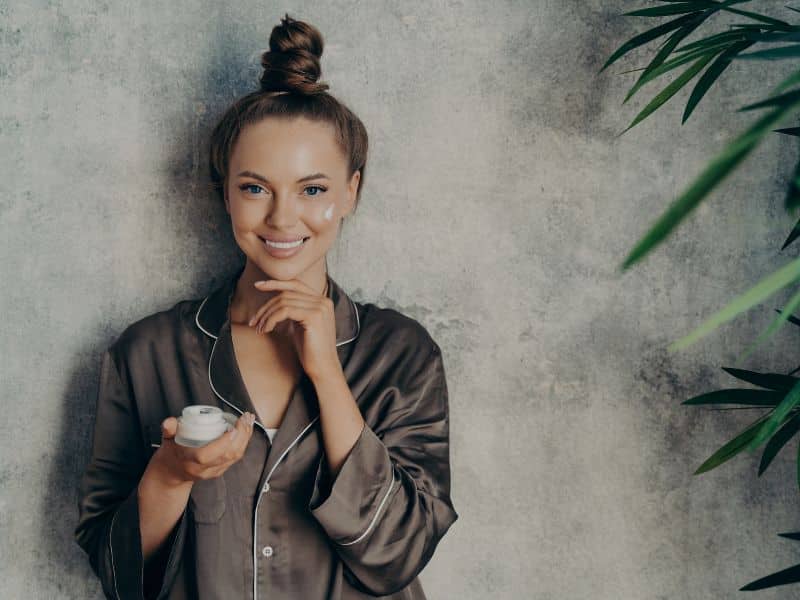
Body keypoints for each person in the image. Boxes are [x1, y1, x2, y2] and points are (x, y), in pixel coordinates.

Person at [74, 13, 459, 600]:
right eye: (255, 188)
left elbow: (399, 554)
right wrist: (172, 474)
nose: (282, 219)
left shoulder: (402, 354)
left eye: (313, 189)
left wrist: (327, 373)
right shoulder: (146, 352)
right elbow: (117, 575)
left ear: (351, 192)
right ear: (224, 190)